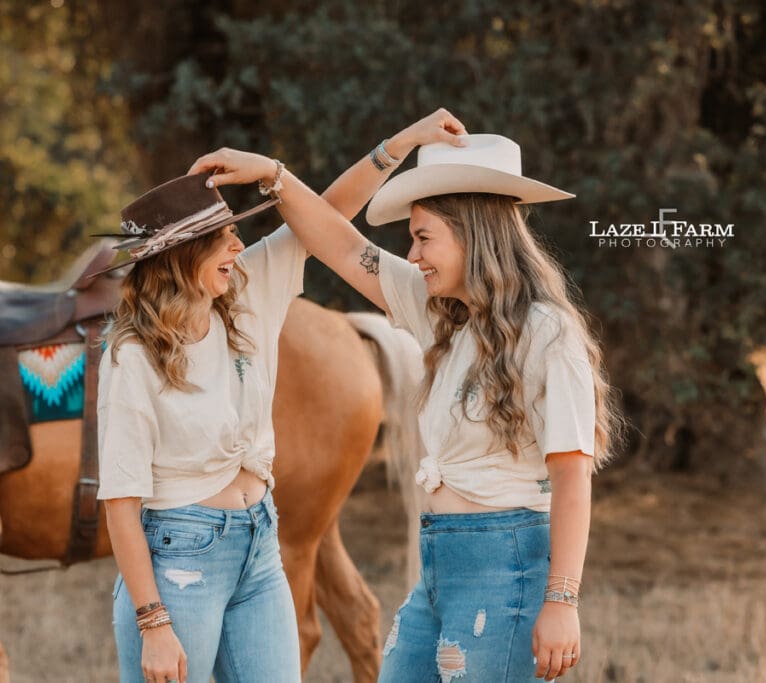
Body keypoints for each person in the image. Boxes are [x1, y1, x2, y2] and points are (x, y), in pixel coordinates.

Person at [188, 114, 623, 682]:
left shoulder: (548, 335)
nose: (413, 256)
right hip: (439, 563)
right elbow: (342, 246)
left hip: (507, 565)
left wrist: (562, 601)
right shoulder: (441, 314)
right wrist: (274, 174)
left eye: (423, 238)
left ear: (473, 234)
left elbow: (572, 474)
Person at [95, 112, 470, 683]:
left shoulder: (248, 291)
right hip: (179, 561)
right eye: (221, 237)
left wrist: (401, 142)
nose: (237, 244)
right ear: (180, 257)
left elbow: (325, 215)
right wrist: (153, 621)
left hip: (260, 545)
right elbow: (120, 502)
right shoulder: (132, 357)